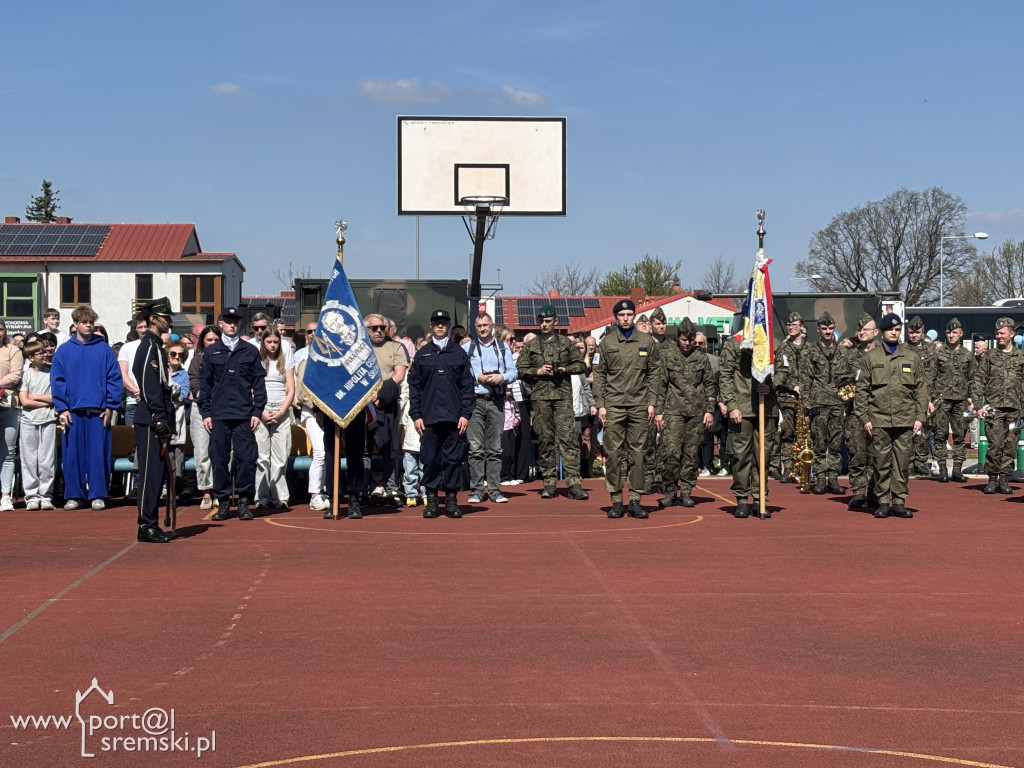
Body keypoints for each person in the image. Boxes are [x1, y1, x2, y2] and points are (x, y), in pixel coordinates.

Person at [853, 313, 928, 518]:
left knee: (902, 462)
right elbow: (862, 391)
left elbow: (921, 389)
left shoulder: (911, 357)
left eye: (897, 330)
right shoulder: (871, 357)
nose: (894, 333)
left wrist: (920, 417)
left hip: (905, 419)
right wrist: (864, 418)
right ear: (883, 332)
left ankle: (900, 501)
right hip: (879, 418)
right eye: (890, 330)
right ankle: (883, 501)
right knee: (881, 462)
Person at [51, 305, 121, 512]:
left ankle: (98, 494)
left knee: (98, 455)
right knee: (72, 456)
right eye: (84, 322)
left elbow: (114, 379)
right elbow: (57, 380)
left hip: (99, 412)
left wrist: (110, 407)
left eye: (91, 322)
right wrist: (62, 408)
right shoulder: (63, 351)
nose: (88, 325)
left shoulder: (104, 350)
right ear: (75, 325)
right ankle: (74, 495)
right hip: (73, 412)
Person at [200, 307, 267, 522]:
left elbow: (259, 384)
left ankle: (245, 501)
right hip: (219, 414)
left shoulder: (249, 351)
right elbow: (205, 385)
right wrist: (206, 412)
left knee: (246, 459)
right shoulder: (212, 352)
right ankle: (222, 502)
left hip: (243, 414)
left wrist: (257, 411)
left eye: (236, 321)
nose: (232, 325)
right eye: (228, 321)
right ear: (220, 323)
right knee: (219, 459)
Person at [516, 305, 589, 501]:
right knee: (545, 440)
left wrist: (564, 369)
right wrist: (536, 371)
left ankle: (574, 483)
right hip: (540, 398)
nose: (544, 324)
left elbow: (581, 365)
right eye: (541, 321)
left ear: (555, 321)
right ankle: (549, 482)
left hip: (562, 396)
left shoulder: (566, 343)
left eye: (548, 321)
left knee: (568, 440)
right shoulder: (531, 346)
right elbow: (520, 369)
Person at [592, 299, 656, 519]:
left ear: (635, 316)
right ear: (616, 317)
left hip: (639, 405)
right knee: (613, 453)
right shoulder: (607, 343)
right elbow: (599, 374)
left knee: (639, 453)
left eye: (630, 314)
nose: (626, 318)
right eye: (622, 315)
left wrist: (652, 402)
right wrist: (600, 404)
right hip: (614, 405)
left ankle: (636, 499)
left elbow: (654, 373)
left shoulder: (647, 341)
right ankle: (617, 500)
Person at [407, 309, 475, 518]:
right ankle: (432, 501)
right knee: (430, 459)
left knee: (453, 459)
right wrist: (416, 415)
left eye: (444, 322)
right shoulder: (422, 354)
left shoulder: (458, 353)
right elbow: (414, 387)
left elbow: (467, 386)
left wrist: (466, 414)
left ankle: (452, 501)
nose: (440, 326)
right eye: (436, 322)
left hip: (454, 418)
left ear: (448, 325)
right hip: (429, 417)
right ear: (431, 325)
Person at [719, 324, 779, 518]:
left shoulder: (771, 343)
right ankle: (742, 499)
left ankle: (760, 498)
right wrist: (731, 404)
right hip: (742, 407)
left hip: (766, 407)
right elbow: (725, 375)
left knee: (763, 456)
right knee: (741, 456)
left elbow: (785, 371)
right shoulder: (734, 344)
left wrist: (771, 386)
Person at [654, 318, 715, 508]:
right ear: (677, 338)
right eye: (683, 339)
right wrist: (658, 412)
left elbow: (710, 385)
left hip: (696, 412)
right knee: (670, 452)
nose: (687, 343)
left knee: (691, 454)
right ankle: (670, 491)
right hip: (673, 412)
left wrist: (709, 410)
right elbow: (661, 385)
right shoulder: (668, 356)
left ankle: (687, 490)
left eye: (689, 339)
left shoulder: (701, 358)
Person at [132, 298, 178, 543]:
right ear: (153, 319)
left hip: (158, 417)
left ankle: (152, 522)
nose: (169, 320)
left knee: (158, 475)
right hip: (151, 419)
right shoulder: (149, 346)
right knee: (150, 475)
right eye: (165, 317)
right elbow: (151, 388)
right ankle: (146, 524)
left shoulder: (156, 345)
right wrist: (159, 418)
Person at [466, 313, 517, 504]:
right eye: (478, 326)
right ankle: (477, 490)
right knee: (475, 448)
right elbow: (461, 372)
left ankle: (495, 490)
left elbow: (514, 372)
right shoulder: (467, 348)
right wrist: (476, 376)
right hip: (475, 401)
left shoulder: (503, 347)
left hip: (496, 400)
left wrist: (501, 378)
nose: (482, 329)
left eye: (485, 325)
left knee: (495, 448)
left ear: (492, 326)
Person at [972, 317, 1024, 495]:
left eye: (1002, 333)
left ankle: (1004, 478)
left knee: (1010, 446)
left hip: (1015, 410)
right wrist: (978, 405)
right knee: (995, 444)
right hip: (994, 409)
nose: (999, 336)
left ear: (1011, 334)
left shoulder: (1021, 357)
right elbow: (978, 381)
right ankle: (992, 478)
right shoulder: (990, 357)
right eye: (997, 333)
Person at [802, 311, 849, 495]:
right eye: (824, 328)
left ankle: (834, 479)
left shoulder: (842, 352)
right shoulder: (811, 351)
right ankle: (821, 478)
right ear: (818, 329)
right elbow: (806, 380)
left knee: (836, 443)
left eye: (830, 328)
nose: (828, 331)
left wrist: (846, 402)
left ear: (834, 328)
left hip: (837, 403)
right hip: (818, 403)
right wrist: (807, 406)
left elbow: (847, 379)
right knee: (820, 442)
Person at [931, 318, 976, 483]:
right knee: (940, 435)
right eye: (949, 332)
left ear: (961, 334)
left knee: (959, 435)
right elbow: (931, 378)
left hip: (961, 400)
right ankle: (942, 468)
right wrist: (930, 399)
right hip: (942, 400)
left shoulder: (967, 355)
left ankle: (957, 469)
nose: (951, 335)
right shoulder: (938, 353)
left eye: (954, 333)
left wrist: (973, 399)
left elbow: (973, 379)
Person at [255, 327, 294, 509]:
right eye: (269, 342)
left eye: (275, 342)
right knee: (262, 457)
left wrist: (281, 411)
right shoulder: (257, 360)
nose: (272, 345)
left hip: (280, 409)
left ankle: (280, 496)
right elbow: (250, 389)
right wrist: (260, 411)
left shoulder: (284, 360)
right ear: (263, 342)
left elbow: (291, 389)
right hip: (261, 410)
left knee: (280, 456)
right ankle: (262, 496)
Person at [844, 315, 878, 509]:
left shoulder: (882, 354)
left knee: (876, 454)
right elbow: (839, 381)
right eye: (860, 329)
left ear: (876, 332)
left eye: (867, 329)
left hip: (878, 411)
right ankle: (858, 491)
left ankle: (873, 491)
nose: (862, 332)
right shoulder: (849, 355)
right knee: (857, 452)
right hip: (856, 412)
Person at [18, 340, 56, 510]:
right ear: (31, 357)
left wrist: (35, 397)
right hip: (27, 421)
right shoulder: (26, 375)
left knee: (47, 459)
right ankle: (31, 496)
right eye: (39, 353)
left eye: (43, 351)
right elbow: (24, 401)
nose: (44, 354)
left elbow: (55, 398)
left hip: (48, 420)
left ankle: (46, 495)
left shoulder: (51, 372)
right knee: (29, 459)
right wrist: (44, 401)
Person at [187, 326, 221, 510]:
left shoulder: (227, 359)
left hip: (222, 409)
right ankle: (206, 492)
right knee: (202, 452)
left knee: (221, 452)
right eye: (209, 340)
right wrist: (205, 398)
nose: (213, 343)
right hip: (200, 408)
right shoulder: (197, 360)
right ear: (202, 342)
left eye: (216, 340)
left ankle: (220, 491)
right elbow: (194, 381)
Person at [773, 311, 806, 481]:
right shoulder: (783, 348)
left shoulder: (809, 348)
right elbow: (779, 373)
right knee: (787, 432)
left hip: (806, 398)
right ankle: (788, 469)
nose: (792, 327)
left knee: (805, 434)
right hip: (787, 397)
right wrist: (793, 386)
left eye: (795, 325)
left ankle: (803, 468)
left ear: (801, 326)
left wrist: (805, 387)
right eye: (789, 325)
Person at [904, 316, 937, 475]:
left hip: (926, 395)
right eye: (911, 332)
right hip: (907, 395)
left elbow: (935, 374)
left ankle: (921, 461)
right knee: (907, 429)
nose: (914, 335)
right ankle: (908, 461)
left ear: (923, 332)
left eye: (917, 332)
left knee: (924, 430)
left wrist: (931, 398)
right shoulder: (902, 349)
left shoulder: (931, 350)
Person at [643, 306, 670, 494]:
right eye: (657, 323)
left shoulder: (672, 346)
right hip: (647, 399)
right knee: (647, 441)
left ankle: (662, 478)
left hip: (668, 400)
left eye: (663, 323)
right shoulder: (643, 344)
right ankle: (646, 478)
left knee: (667, 442)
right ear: (650, 325)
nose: (661, 327)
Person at [0, 318, 23, 511]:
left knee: (8, 452)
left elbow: (16, 374)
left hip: (8, 404)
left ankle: (5, 495)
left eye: (0, 329)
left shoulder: (13, 350)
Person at [165, 339, 190, 499]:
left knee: (175, 456)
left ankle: (172, 489)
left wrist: (176, 398)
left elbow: (184, 393)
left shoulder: (184, 374)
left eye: (181, 355)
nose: (177, 357)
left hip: (176, 419)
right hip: (161, 417)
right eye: (173, 354)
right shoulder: (159, 371)